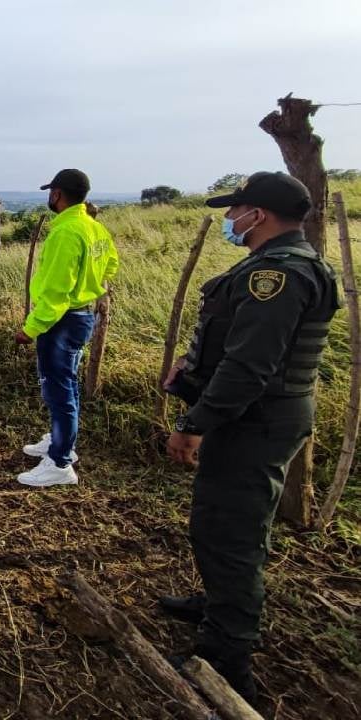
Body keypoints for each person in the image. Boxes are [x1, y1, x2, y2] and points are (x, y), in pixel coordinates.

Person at [160, 171, 340, 704]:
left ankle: (225, 656)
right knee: (232, 521)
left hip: (253, 419)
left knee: (228, 532)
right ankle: (218, 606)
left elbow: (249, 365)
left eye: (234, 210)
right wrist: (192, 369)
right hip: (259, 415)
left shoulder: (279, 276)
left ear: (256, 215)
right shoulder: (288, 265)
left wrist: (195, 423)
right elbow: (235, 345)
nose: (229, 219)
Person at [16, 169, 119, 487]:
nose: (50, 197)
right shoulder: (95, 228)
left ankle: (59, 462)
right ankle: (61, 442)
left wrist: (30, 328)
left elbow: (57, 292)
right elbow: (111, 263)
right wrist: (91, 284)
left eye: (51, 192)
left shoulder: (67, 232)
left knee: (57, 389)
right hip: (83, 316)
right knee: (67, 384)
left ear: (57, 194)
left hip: (61, 321)